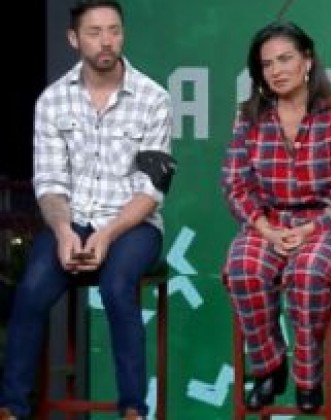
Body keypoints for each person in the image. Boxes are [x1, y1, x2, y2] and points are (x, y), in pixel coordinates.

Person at [0, 1, 175, 419]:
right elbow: (49, 184)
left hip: (134, 223)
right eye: (95, 33)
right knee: (32, 288)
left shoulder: (154, 98)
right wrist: (63, 231)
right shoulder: (52, 101)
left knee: (117, 286)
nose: (106, 41)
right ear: (74, 39)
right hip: (71, 219)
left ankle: (133, 408)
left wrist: (107, 234)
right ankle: (12, 407)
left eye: (114, 30)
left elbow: (152, 190)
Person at [221, 21, 331, 413]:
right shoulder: (249, 118)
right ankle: (269, 367)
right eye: (267, 64)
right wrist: (266, 229)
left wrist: (311, 228)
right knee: (242, 268)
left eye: (285, 59)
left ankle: (309, 378)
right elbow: (236, 185)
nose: (276, 70)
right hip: (268, 222)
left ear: (307, 61)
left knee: (308, 272)